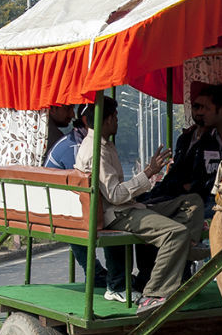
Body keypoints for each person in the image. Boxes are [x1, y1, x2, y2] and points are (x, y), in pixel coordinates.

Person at [74, 95, 206, 313]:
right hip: (117, 214)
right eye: (115, 117)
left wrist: (146, 176)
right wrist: (148, 173)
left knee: (191, 202)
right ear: (106, 120)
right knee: (176, 233)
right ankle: (154, 293)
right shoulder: (95, 150)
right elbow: (115, 196)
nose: (117, 121)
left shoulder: (104, 144)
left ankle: (186, 248)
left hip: (128, 206)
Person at [44, 103, 135, 302]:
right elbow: (86, 184)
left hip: (70, 199)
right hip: (61, 203)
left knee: (112, 211)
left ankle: (110, 276)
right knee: (112, 217)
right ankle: (106, 277)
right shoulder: (80, 146)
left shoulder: (85, 141)